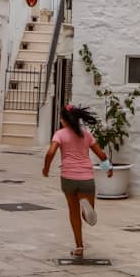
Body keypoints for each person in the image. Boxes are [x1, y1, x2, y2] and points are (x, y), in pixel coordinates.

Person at [42, 102, 112, 259]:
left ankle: (79, 247)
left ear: (65, 120)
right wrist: (108, 169)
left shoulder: (59, 134)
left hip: (68, 178)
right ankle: (86, 211)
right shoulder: (86, 134)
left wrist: (46, 168)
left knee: (72, 212)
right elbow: (101, 155)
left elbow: (50, 152)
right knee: (88, 217)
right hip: (86, 178)